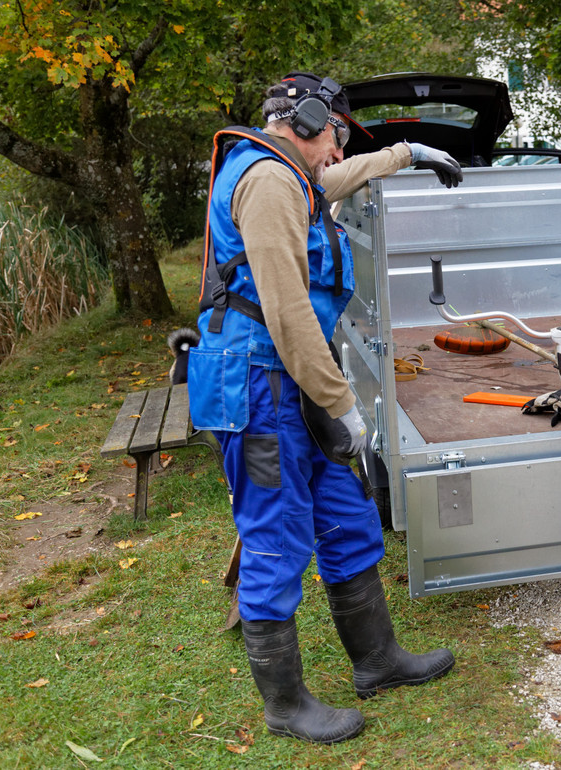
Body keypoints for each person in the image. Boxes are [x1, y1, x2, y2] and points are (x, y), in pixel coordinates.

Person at [187, 71, 460, 742]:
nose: (340, 151)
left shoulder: (292, 173)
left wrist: (410, 155)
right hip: (261, 385)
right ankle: (285, 707)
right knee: (277, 542)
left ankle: (378, 660)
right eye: (337, 134)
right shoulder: (271, 184)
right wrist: (346, 405)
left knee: (346, 518)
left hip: (292, 380)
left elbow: (338, 179)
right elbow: (285, 313)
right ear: (307, 120)